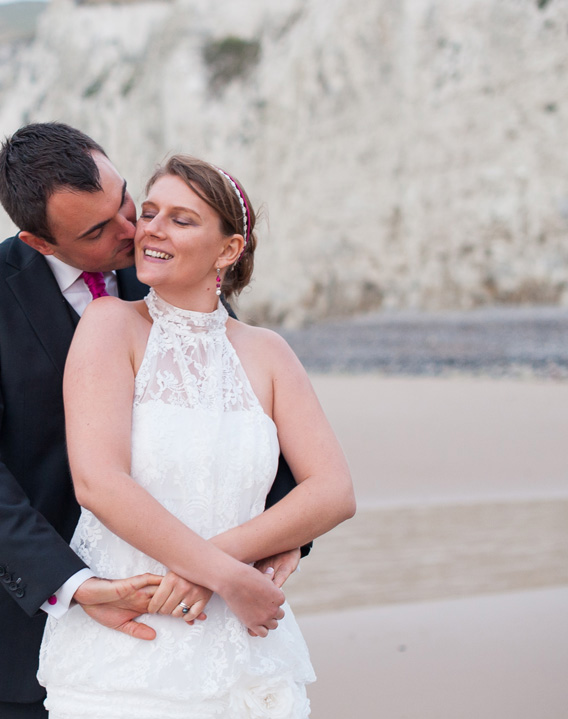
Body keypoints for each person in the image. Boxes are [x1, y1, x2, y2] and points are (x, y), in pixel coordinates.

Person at [0, 124, 306, 719]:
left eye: (125, 201)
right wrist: (69, 584)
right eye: (98, 230)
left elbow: (233, 401)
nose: (134, 230)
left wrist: (287, 535)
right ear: (39, 242)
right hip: (30, 602)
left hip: (187, 600)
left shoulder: (164, 263)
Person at [36, 155, 356, 718]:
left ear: (229, 250)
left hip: (246, 635)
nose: (151, 228)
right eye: (151, 211)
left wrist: (223, 572)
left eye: (182, 220)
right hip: (133, 639)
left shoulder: (268, 352)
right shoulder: (111, 325)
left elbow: (332, 492)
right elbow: (98, 483)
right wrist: (227, 576)